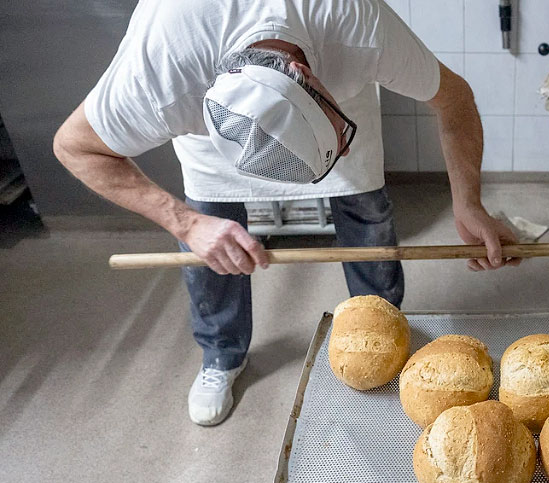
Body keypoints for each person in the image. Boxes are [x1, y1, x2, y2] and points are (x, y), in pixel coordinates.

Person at [53, 0, 519, 426]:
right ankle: (221, 355)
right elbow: (74, 148)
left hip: (338, 107)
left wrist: (468, 203)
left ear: (307, 72)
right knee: (212, 250)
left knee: (367, 217)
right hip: (211, 145)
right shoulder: (159, 72)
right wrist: (188, 224)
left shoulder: (357, 24)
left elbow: (454, 98)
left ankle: (382, 327)